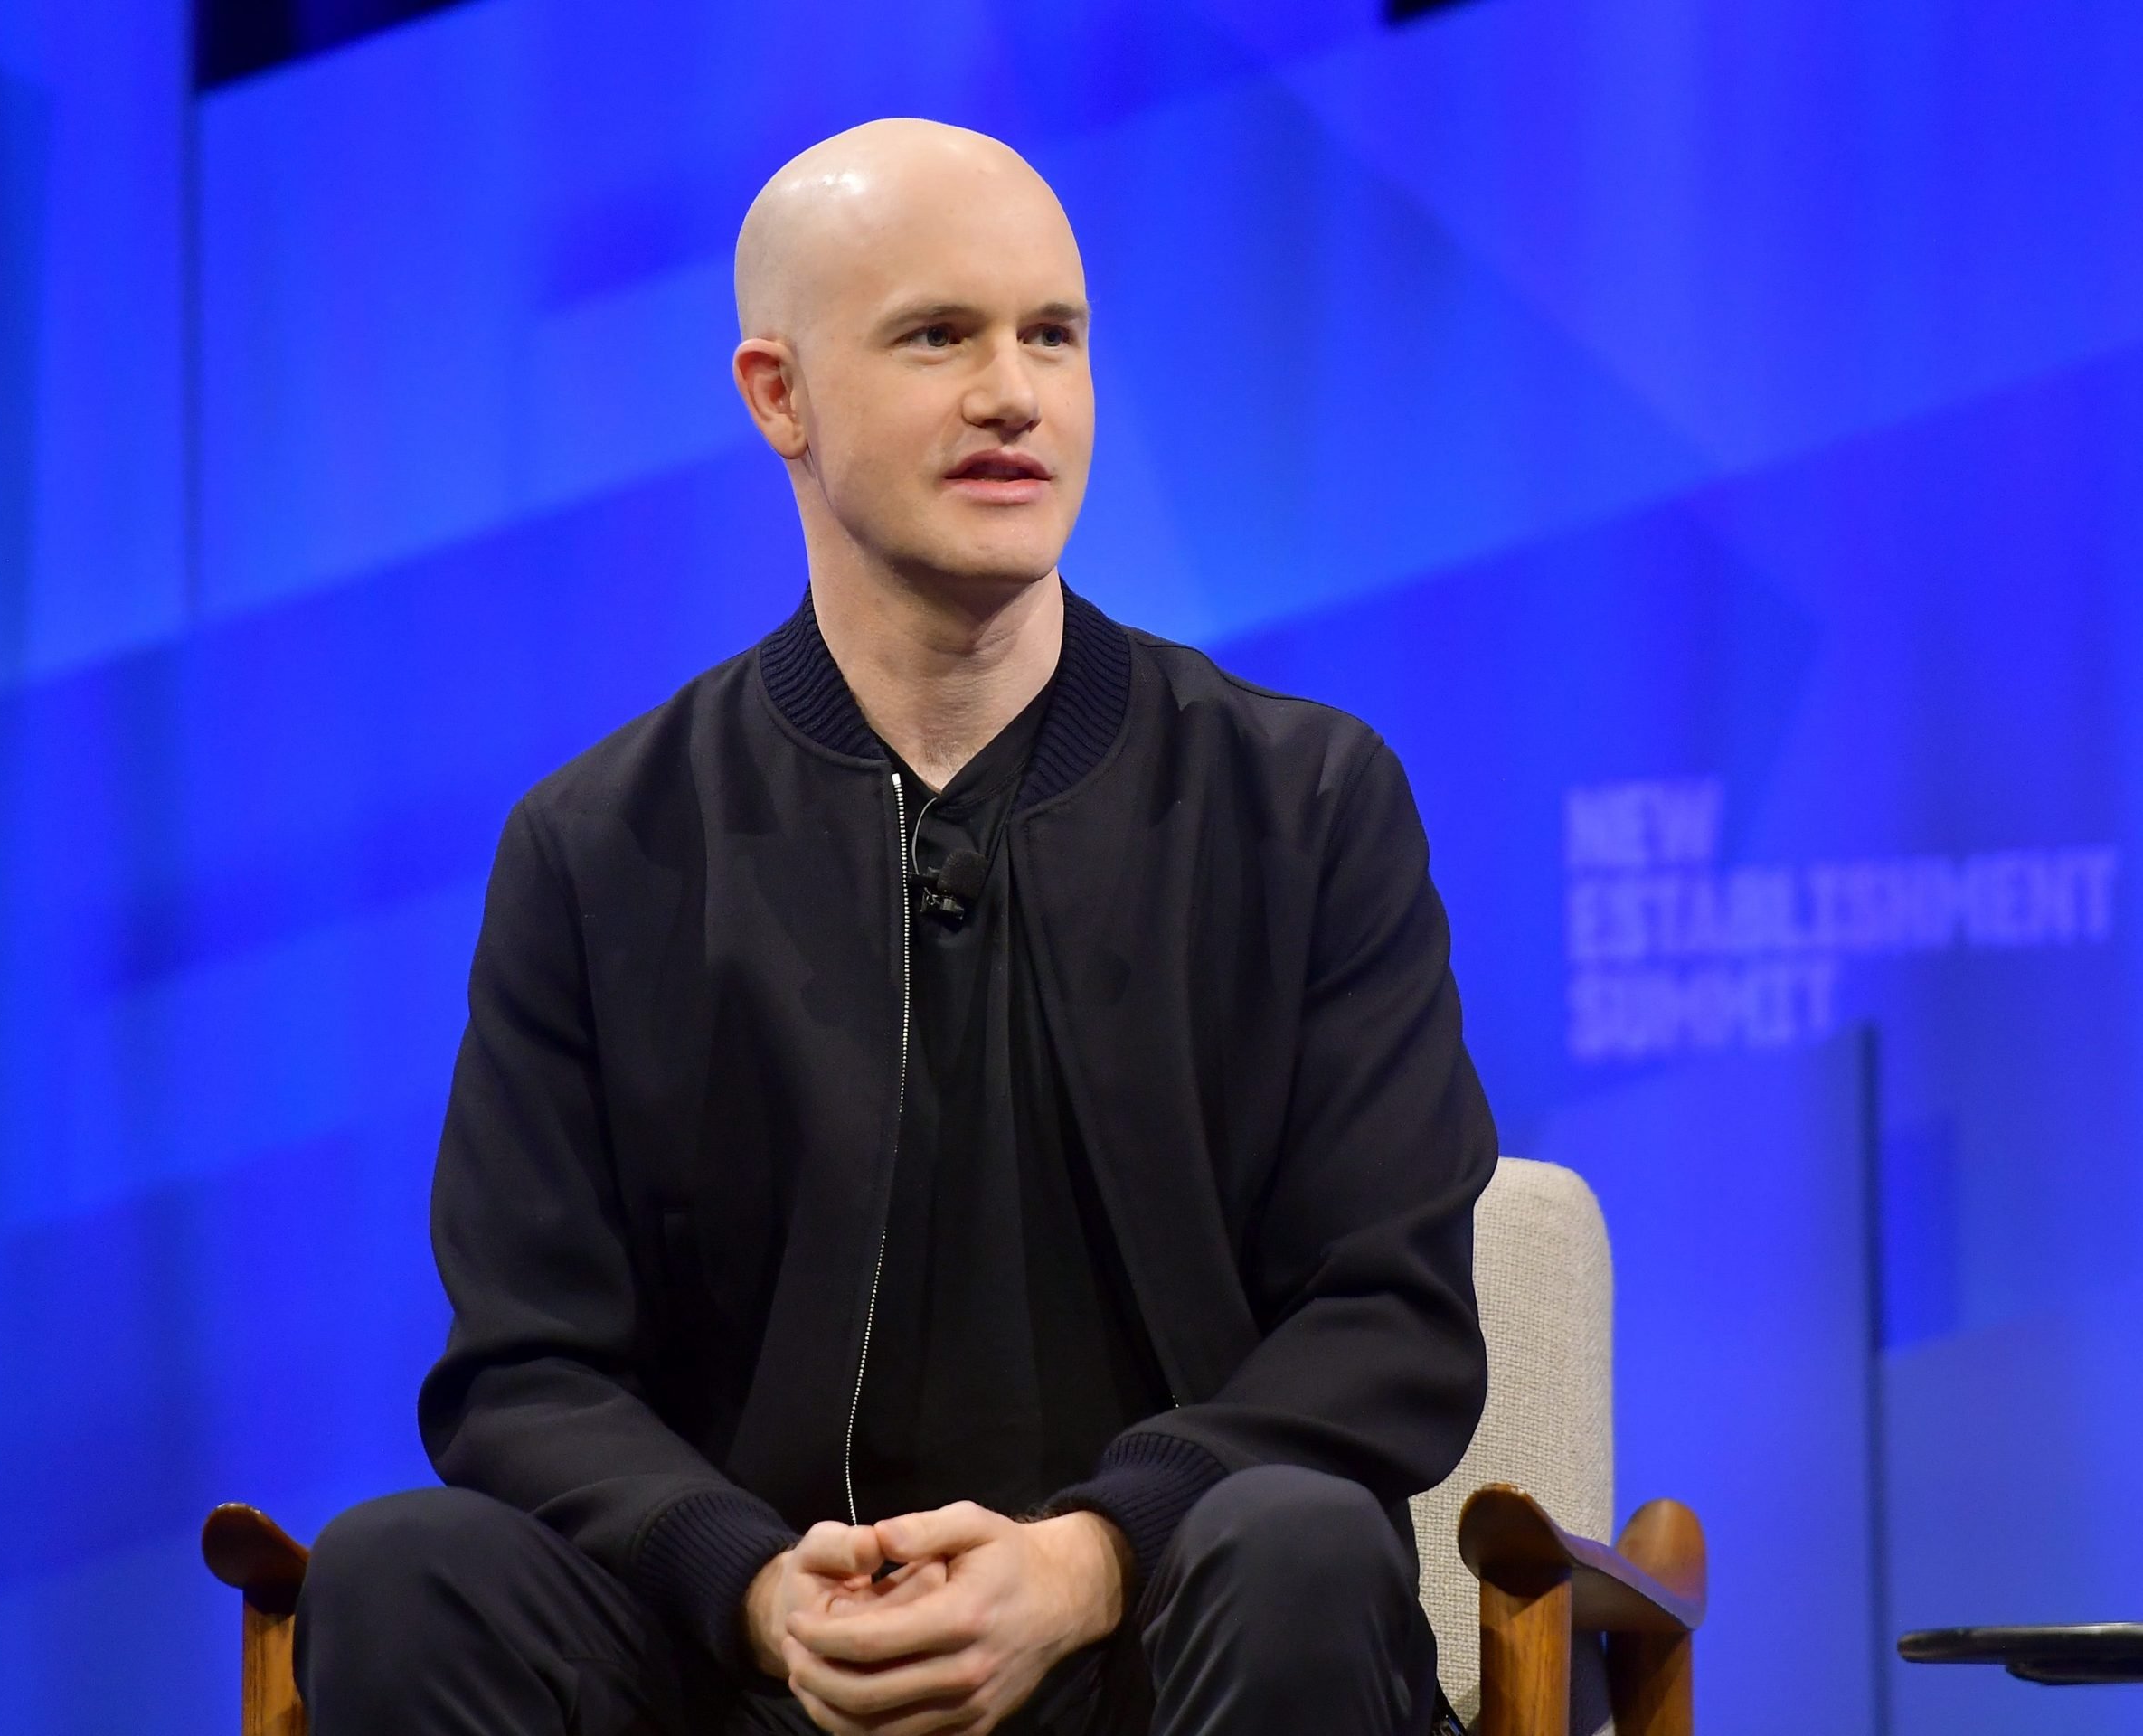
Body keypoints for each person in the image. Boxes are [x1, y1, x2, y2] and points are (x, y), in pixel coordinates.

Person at [293, 117, 1496, 1736]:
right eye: (941, 336)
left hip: (1157, 1647)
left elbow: (1389, 1320)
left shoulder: (1305, 801)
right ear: (777, 395)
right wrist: (750, 1588)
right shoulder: (601, 847)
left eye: (1052, 338)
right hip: (754, 1677)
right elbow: (523, 1370)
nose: (1015, 393)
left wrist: (1088, 1557)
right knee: (399, 1570)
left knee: (1296, 1547)